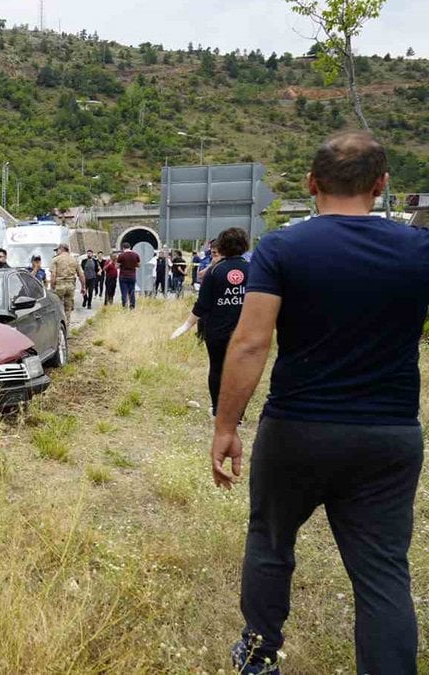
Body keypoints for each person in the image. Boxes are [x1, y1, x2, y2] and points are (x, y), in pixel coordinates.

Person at [210, 131, 429, 675]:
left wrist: (226, 426)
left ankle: (259, 658)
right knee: (382, 573)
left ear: (311, 184)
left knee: (270, 541)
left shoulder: (283, 248)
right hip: (389, 435)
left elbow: (251, 342)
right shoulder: (419, 250)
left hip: (297, 430)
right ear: (381, 186)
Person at [170, 229, 249, 417]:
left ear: (222, 246)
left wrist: (185, 326)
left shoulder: (215, 271)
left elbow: (202, 305)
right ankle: (238, 413)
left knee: (217, 368)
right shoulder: (253, 269)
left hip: (217, 330)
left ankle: (218, 408)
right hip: (245, 330)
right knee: (242, 371)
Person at [49, 243, 84, 318]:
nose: (56, 252)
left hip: (59, 285)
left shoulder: (55, 259)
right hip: (70, 286)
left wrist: (52, 287)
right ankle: (67, 326)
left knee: (57, 307)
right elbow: (81, 275)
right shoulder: (74, 260)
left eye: (57, 250)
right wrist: (83, 287)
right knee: (68, 308)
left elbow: (53, 275)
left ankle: (59, 326)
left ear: (61, 249)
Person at [115, 242, 140, 309]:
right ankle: (132, 306)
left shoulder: (121, 255)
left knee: (124, 292)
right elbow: (139, 265)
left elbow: (116, 266)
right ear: (130, 247)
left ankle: (124, 305)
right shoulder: (136, 255)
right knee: (132, 291)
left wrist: (121, 265)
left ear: (123, 248)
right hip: (132, 276)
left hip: (123, 276)